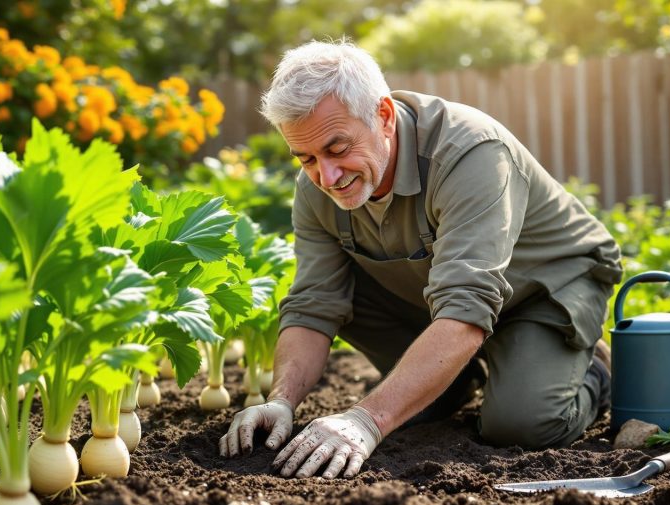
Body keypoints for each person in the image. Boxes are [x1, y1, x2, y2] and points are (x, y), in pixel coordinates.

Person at [218, 40, 622, 479]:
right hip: (440, 292)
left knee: (520, 424)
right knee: (425, 407)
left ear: (385, 117)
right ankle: (450, 385)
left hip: (544, 286)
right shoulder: (316, 185)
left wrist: (366, 420)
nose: (326, 177)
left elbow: (467, 304)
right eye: (307, 158)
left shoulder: (470, 155)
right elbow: (314, 303)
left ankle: (593, 369)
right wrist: (281, 400)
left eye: (337, 148)